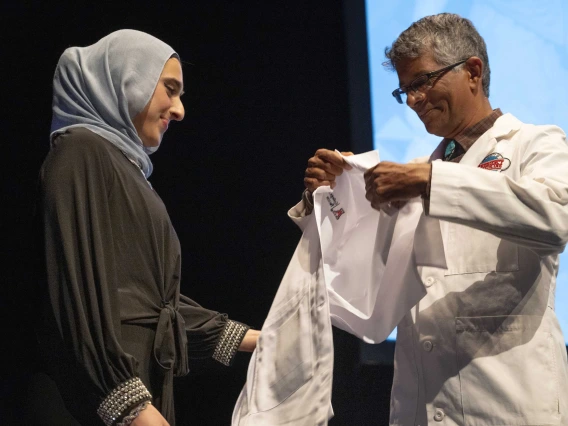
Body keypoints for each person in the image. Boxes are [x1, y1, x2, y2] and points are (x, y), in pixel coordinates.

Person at [299, 13, 568, 426]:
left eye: (422, 81)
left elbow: (554, 216)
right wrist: (333, 195)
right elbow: (360, 278)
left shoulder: (536, 143)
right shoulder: (417, 174)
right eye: (405, 89)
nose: (412, 99)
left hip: (507, 404)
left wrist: (430, 179)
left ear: (473, 71)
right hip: (420, 407)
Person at [32, 29, 259, 426]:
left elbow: (150, 302)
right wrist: (131, 408)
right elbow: (78, 299)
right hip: (100, 403)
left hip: (136, 391)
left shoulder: (122, 168)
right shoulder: (80, 153)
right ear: (126, 79)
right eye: (169, 89)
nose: (179, 109)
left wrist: (254, 340)